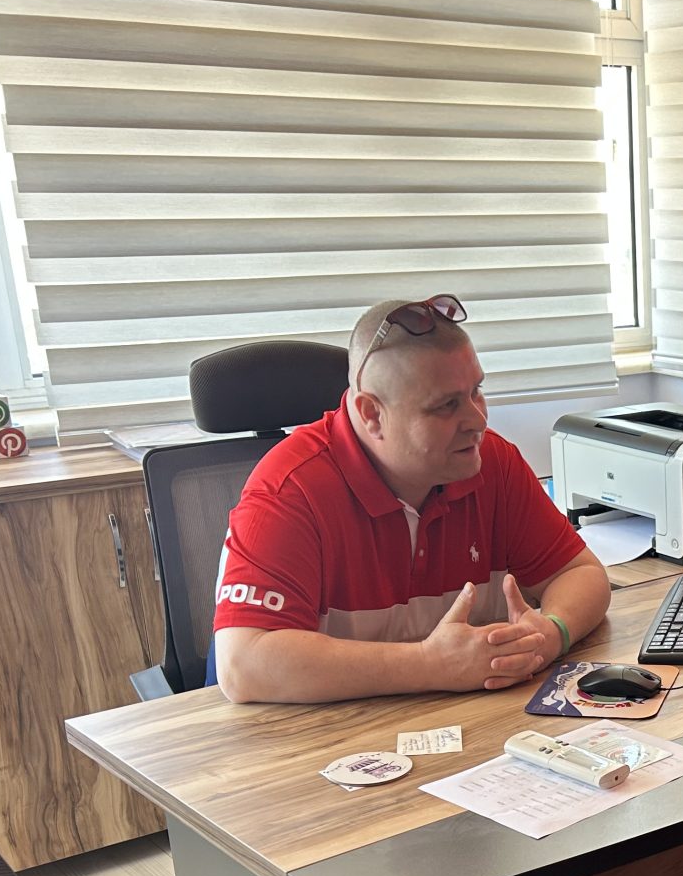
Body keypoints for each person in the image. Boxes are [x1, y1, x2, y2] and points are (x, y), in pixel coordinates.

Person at [212, 295, 611, 703]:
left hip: (468, 723)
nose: (478, 420)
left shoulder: (492, 462)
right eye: (447, 406)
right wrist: (431, 664)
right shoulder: (290, 489)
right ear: (371, 414)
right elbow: (243, 664)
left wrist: (551, 632)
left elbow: (581, 573)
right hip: (329, 735)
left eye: (476, 391)